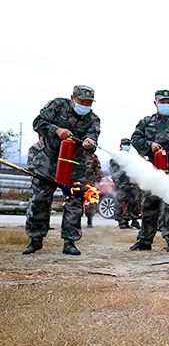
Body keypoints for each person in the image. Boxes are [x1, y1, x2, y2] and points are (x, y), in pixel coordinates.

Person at [23, 85, 101, 256]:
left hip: (74, 163)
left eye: (89, 103)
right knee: (39, 200)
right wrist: (56, 130)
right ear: (72, 98)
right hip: (48, 161)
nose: (85, 105)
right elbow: (37, 123)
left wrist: (89, 143)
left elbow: (93, 140)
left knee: (75, 201)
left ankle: (69, 241)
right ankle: (35, 240)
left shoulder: (93, 119)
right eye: (82, 101)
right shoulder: (57, 106)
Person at [129, 89, 169, 252]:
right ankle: (144, 240)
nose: (166, 104)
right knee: (150, 204)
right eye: (162, 102)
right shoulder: (146, 122)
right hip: (154, 169)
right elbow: (135, 139)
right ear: (155, 103)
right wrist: (149, 145)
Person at [109, 138, 141, 229]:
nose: (126, 146)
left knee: (134, 203)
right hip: (121, 185)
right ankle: (121, 221)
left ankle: (134, 221)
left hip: (132, 184)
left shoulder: (131, 158)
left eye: (128, 144)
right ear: (120, 145)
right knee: (119, 203)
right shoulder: (116, 158)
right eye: (124, 144)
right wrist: (118, 183)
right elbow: (114, 173)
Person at [83, 152, 102, 227]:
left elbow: (98, 169)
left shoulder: (93, 156)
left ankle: (89, 220)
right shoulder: (76, 153)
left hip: (89, 181)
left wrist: (97, 181)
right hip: (77, 180)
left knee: (90, 203)